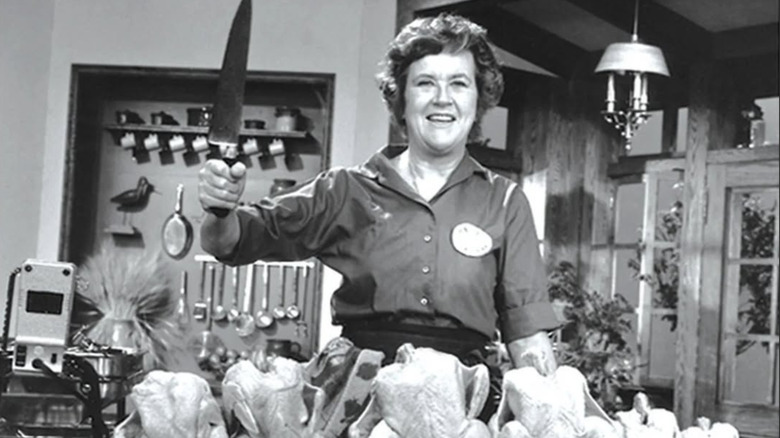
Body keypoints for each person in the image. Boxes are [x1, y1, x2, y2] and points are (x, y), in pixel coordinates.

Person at [198, 13, 560, 421]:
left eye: (459, 83)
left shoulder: (505, 201)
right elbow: (228, 242)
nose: (443, 98)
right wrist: (220, 208)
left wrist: (549, 414)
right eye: (425, 83)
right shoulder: (345, 190)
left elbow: (526, 336)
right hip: (358, 392)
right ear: (401, 99)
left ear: (478, 101)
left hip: (463, 400)